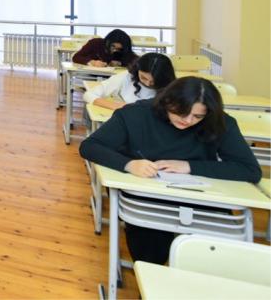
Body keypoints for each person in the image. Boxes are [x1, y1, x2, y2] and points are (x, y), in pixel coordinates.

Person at [79, 77, 261, 265]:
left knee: (211, 257)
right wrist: (129, 164)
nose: (188, 121)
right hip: (147, 198)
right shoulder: (137, 114)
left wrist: (189, 166)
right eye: (182, 112)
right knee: (150, 256)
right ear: (167, 101)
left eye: (197, 116)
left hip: (199, 198)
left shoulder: (218, 121)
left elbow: (250, 169)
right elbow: (90, 146)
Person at [84, 53, 176, 110]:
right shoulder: (126, 77)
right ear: (137, 69)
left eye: (153, 81)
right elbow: (89, 95)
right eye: (143, 77)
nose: (148, 83)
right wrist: (116, 106)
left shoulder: (171, 86)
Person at [72, 29, 138, 68]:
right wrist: (92, 62)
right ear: (107, 41)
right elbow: (76, 57)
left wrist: (120, 63)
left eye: (118, 49)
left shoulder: (122, 50)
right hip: (91, 75)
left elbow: (136, 61)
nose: (114, 50)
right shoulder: (95, 43)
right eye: (113, 46)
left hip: (112, 78)